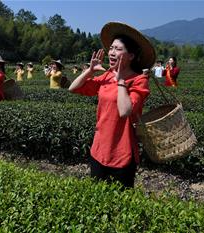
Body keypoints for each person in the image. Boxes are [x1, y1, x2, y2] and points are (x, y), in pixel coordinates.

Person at [69, 22, 156, 188]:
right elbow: (73, 88)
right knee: (97, 198)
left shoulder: (139, 81)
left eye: (118, 49)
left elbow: (125, 111)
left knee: (120, 204)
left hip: (122, 151)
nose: (112, 52)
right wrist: (90, 71)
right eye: (111, 48)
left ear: (131, 56)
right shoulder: (107, 75)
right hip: (100, 146)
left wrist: (121, 81)